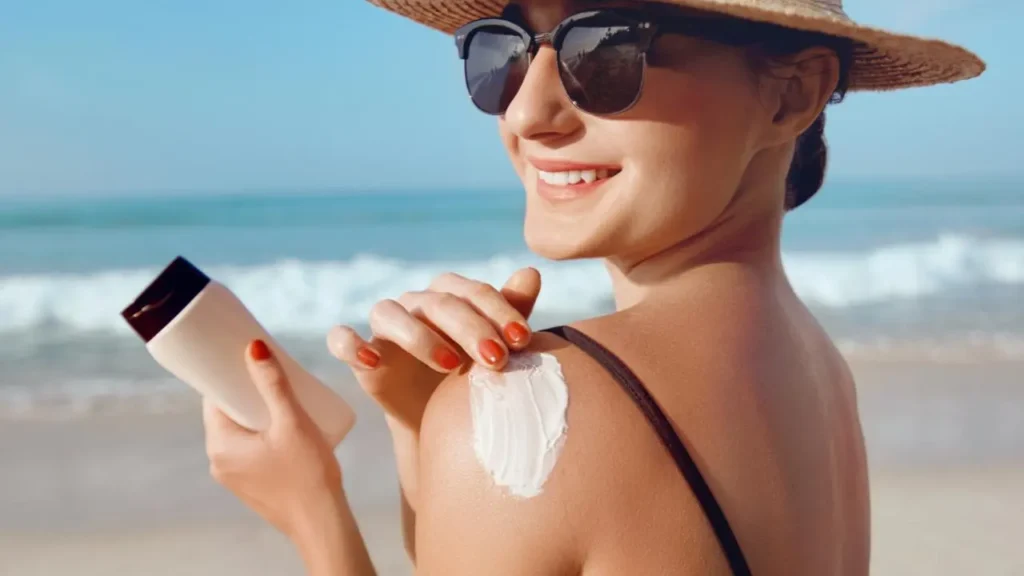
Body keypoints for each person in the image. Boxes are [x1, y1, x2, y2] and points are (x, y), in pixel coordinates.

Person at [200, 0, 984, 574]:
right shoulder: (817, 370)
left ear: (791, 94)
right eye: (501, 51)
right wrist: (421, 428)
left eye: (606, 49)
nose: (529, 111)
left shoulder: (552, 412)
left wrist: (312, 509)